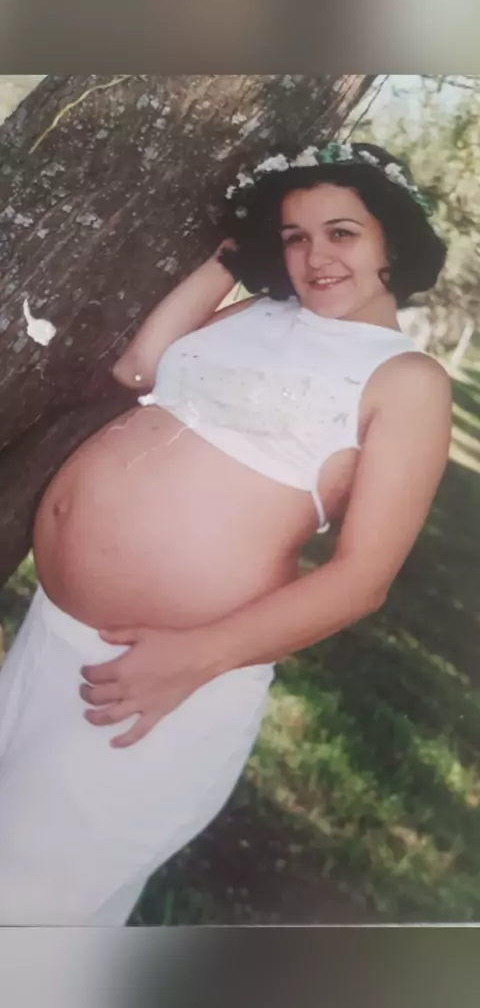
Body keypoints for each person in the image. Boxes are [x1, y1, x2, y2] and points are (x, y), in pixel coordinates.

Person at [0, 141, 452, 925]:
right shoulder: (257, 313)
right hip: (52, 634)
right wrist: (231, 257)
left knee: (25, 906)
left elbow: (362, 578)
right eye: (294, 236)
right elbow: (140, 368)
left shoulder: (407, 380)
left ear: (393, 242)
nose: (315, 257)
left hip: (160, 679)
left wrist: (192, 658)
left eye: (342, 233)